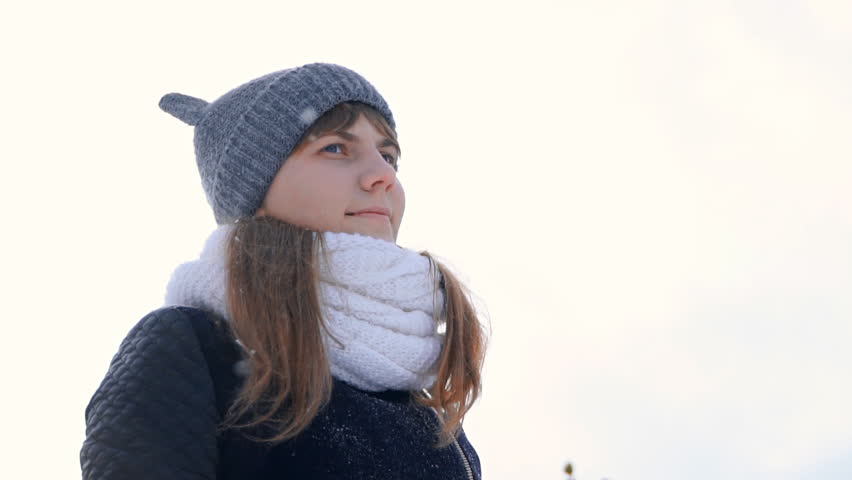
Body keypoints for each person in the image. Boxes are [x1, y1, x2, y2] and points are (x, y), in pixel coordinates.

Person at [80, 62, 487, 479]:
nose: (383, 175)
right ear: (256, 190)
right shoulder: (195, 349)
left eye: (388, 155)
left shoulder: (421, 396)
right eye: (335, 148)